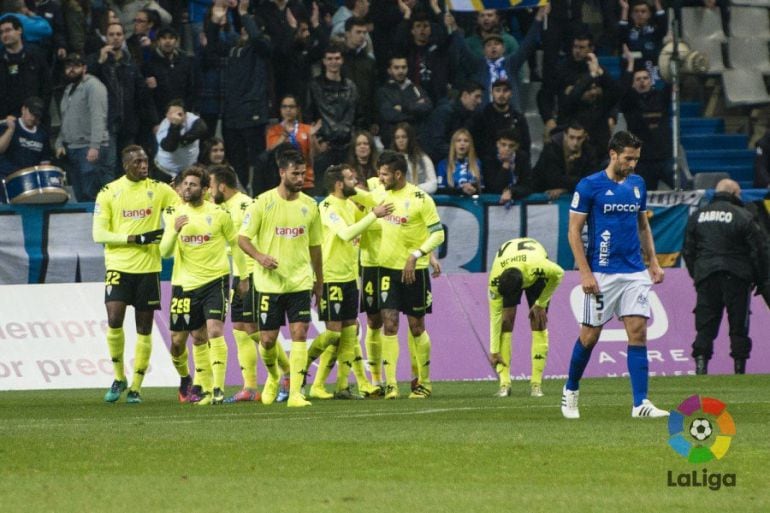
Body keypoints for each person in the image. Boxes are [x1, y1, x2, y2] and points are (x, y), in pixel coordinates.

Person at [561, 131, 668, 419]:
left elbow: (643, 226)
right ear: (613, 154)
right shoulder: (589, 186)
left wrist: (653, 262)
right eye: (628, 158)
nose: (633, 164)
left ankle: (640, 403)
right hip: (601, 272)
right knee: (589, 336)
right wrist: (585, 273)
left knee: (638, 332)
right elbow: (573, 231)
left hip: (633, 271)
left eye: (636, 159)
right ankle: (570, 389)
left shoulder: (637, 184)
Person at [91, 145, 178, 403]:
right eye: (138, 162)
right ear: (125, 164)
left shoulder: (160, 190)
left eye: (146, 161)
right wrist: (135, 238)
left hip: (149, 269)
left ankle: (137, 386)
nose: (143, 166)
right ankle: (119, 377)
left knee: (144, 328)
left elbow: (179, 211)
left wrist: (172, 226)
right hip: (118, 266)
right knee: (115, 319)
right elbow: (99, 234)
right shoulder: (109, 192)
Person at [238, 149, 323, 408]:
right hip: (269, 283)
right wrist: (260, 257)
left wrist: (319, 282)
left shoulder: (310, 206)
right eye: (295, 173)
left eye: (303, 173)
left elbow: (316, 247)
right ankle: (274, 377)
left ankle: (296, 393)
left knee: (300, 333)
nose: (301, 178)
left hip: (299, 281)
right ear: (282, 172)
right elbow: (242, 239)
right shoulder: (262, 203)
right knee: (267, 340)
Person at [160, 166, 247, 405]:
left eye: (193, 185)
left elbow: (236, 244)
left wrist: (243, 277)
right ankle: (190, 380)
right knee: (183, 340)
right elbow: (165, 252)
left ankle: (216, 389)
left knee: (214, 331)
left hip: (215, 281)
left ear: (205, 189)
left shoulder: (219, 214)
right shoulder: (175, 214)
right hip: (184, 285)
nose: (187, 188)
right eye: (185, 184)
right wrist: (174, 231)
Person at [305, 164, 393, 399]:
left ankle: (341, 385)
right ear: (338, 184)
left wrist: (391, 219)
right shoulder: (326, 206)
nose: (354, 182)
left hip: (350, 277)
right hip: (331, 276)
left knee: (349, 333)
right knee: (333, 334)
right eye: (349, 178)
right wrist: (375, 213)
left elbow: (368, 223)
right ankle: (301, 367)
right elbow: (346, 233)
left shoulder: (348, 205)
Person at [376, 150, 445, 399]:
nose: (380, 178)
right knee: (390, 324)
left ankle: (424, 382)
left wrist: (418, 254)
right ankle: (391, 384)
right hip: (386, 269)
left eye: (384, 174)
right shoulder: (379, 193)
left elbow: (438, 234)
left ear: (398, 174)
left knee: (416, 327)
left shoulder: (420, 198)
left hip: (414, 271)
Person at [682, 179, 768, 375]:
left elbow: (688, 250)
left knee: (705, 324)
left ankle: (701, 366)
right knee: (739, 324)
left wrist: (697, 274)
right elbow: (759, 250)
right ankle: (739, 368)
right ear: (734, 193)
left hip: (706, 275)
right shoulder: (744, 215)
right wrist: (760, 279)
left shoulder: (698, 216)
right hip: (737, 275)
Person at [207, 165, 260, 401]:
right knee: (239, 329)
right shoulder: (218, 207)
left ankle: (286, 374)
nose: (208, 191)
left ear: (221, 185)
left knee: (254, 330)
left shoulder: (245, 204)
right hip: (236, 274)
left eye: (210, 185)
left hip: (252, 273)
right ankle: (249, 387)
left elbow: (251, 239)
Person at [488, 238, 564, 397]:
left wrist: (541, 303)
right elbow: (495, 317)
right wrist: (493, 350)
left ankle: (536, 384)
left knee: (538, 321)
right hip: (510, 266)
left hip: (532, 267)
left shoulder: (538, 267)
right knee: (505, 321)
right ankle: (504, 384)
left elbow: (559, 273)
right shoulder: (495, 281)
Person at [55, 53, 111, 202]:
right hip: (73, 148)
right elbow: (66, 119)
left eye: (76, 66)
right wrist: (59, 142)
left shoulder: (93, 86)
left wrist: (95, 146)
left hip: (89, 147)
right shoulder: (68, 89)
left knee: (91, 194)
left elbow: (98, 116)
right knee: (80, 195)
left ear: (84, 68)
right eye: (68, 67)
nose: (71, 70)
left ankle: (99, 224)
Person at [619, 52, 672, 190]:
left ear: (651, 80)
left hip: (665, 158)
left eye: (645, 78)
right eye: (638, 79)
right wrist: (630, 65)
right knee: (646, 198)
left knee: (685, 190)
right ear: (633, 83)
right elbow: (622, 90)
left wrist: (669, 54)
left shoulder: (661, 98)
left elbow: (671, 81)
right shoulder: (629, 103)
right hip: (643, 161)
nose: (642, 81)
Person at [308, 43, 361, 181]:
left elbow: (357, 114)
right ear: (324, 61)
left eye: (337, 58)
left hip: (348, 146)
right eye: (330, 58)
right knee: (323, 191)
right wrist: (318, 142)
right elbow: (309, 116)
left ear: (342, 60)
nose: (333, 62)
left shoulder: (351, 86)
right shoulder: (314, 86)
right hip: (325, 147)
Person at [0, 15, 52, 122]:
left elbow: (46, 87)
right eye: (1, 32)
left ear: (19, 30)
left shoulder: (36, 55)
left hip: (35, 118)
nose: (4, 35)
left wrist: (38, 112)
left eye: (8, 30)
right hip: (7, 121)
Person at [375, 55, 433, 149]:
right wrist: (416, 113)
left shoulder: (416, 88)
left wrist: (403, 108)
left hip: (417, 142)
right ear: (389, 70)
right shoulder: (383, 91)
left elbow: (427, 107)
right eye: (396, 68)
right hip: (392, 143)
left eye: (403, 67)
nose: (401, 71)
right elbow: (389, 115)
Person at [470, 78, 531, 163]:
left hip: (514, 166)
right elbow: (476, 146)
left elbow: (525, 148)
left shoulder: (519, 118)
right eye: (498, 90)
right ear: (492, 93)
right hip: (487, 167)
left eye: (505, 91)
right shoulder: (481, 118)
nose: (501, 94)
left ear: (511, 94)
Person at [421, 81, 483, 164]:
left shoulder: (472, 115)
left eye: (480, 97)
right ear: (465, 95)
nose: (480, 101)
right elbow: (435, 143)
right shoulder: (444, 112)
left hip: (455, 160)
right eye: (477, 97)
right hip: (436, 162)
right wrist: (458, 152)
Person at [533, 121, 597, 200]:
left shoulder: (589, 151)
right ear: (565, 136)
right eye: (572, 137)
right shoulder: (551, 149)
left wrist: (565, 189)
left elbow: (591, 180)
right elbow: (554, 179)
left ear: (584, 137)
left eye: (579, 138)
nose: (575, 142)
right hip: (543, 194)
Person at [266, 94, 316, 193]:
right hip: (281, 181)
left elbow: (312, 158)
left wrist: (312, 137)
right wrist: (283, 137)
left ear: (297, 109)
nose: (288, 110)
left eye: (291, 107)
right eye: (284, 107)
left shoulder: (307, 129)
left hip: (305, 180)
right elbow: (269, 153)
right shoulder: (273, 130)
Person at [154, 99, 208, 179]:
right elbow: (170, 147)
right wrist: (175, 126)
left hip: (188, 170)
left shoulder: (191, 119)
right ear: (166, 115)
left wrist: (184, 140)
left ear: (186, 114)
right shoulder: (163, 128)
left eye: (179, 114)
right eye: (171, 114)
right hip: (165, 171)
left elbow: (202, 128)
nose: (175, 117)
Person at [0, 97, 52, 178]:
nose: (33, 117)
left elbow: (45, 162)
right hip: (7, 177)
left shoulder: (42, 134)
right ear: (23, 109)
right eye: (31, 113)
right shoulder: (8, 125)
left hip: (30, 178)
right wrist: (10, 130)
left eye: (36, 115)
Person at [481, 128, 532, 204]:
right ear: (497, 144)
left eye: (511, 146)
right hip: (493, 205)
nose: (506, 149)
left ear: (517, 146)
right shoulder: (489, 159)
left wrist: (512, 191)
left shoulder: (522, 158)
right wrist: (506, 164)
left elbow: (528, 186)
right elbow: (494, 188)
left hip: (517, 202)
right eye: (503, 144)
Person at [391, 122, 437, 194]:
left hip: (418, 197)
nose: (400, 140)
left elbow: (433, 184)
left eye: (404, 137)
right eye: (397, 137)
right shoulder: (390, 160)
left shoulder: (423, 159)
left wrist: (414, 189)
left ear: (410, 138)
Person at [436, 128, 482, 196]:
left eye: (466, 141)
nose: (462, 143)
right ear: (453, 144)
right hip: (451, 205)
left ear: (470, 144)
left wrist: (473, 189)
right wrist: (460, 190)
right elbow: (440, 189)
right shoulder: (443, 164)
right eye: (458, 141)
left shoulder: (476, 163)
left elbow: (481, 188)